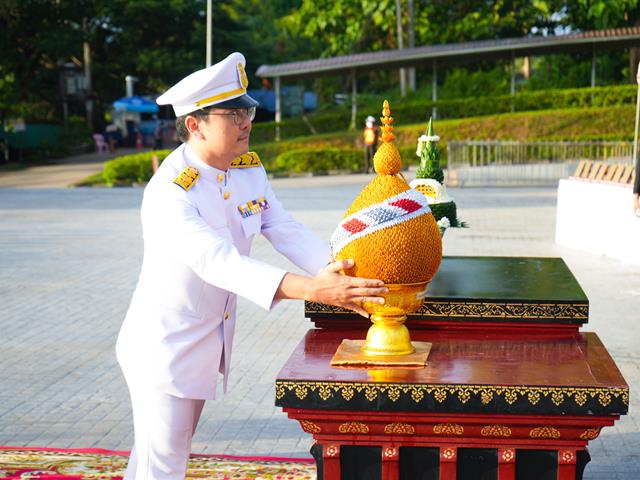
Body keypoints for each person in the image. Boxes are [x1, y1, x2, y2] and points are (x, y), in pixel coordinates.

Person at [115, 52, 387, 480]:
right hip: (163, 348)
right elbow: (218, 262)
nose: (246, 122)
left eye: (247, 110)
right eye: (232, 113)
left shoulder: (246, 170)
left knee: (162, 454)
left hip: (203, 343)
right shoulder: (170, 191)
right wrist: (315, 290)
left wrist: (344, 272)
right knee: (161, 463)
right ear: (195, 124)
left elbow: (282, 227)